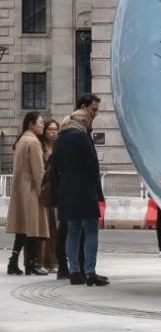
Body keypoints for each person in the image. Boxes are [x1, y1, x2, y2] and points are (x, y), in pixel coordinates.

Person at [54, 110, 108, 286]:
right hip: (84, 190)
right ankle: (90, 272)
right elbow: (93, 165)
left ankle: (74, 272)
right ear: (83, 121)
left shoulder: (60, 138)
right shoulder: (82, 136)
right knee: (91, 231)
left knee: (73, 231)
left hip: (66, 190)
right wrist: (95, 187)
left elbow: (55, 164)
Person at [5, 112, 51, 276]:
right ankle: (32, 264)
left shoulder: (21, 140)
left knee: (23, 228)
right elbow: (39, 171)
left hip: (20, 188)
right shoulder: (33, 142)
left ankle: (14, 262)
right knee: (33, 228)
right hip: (31, 188)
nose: (43, 126)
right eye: (40, 123)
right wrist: (44, 191)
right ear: (31, 124)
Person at [39, 120, 59, 273]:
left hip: (54, 191)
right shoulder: (41, 147)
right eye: (50, 129)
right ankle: (41, 261)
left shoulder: (57, 146)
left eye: (55, 129)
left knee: (53, 228)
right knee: (43, 228)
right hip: (44, 190)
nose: (53, 132)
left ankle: (52, 261)